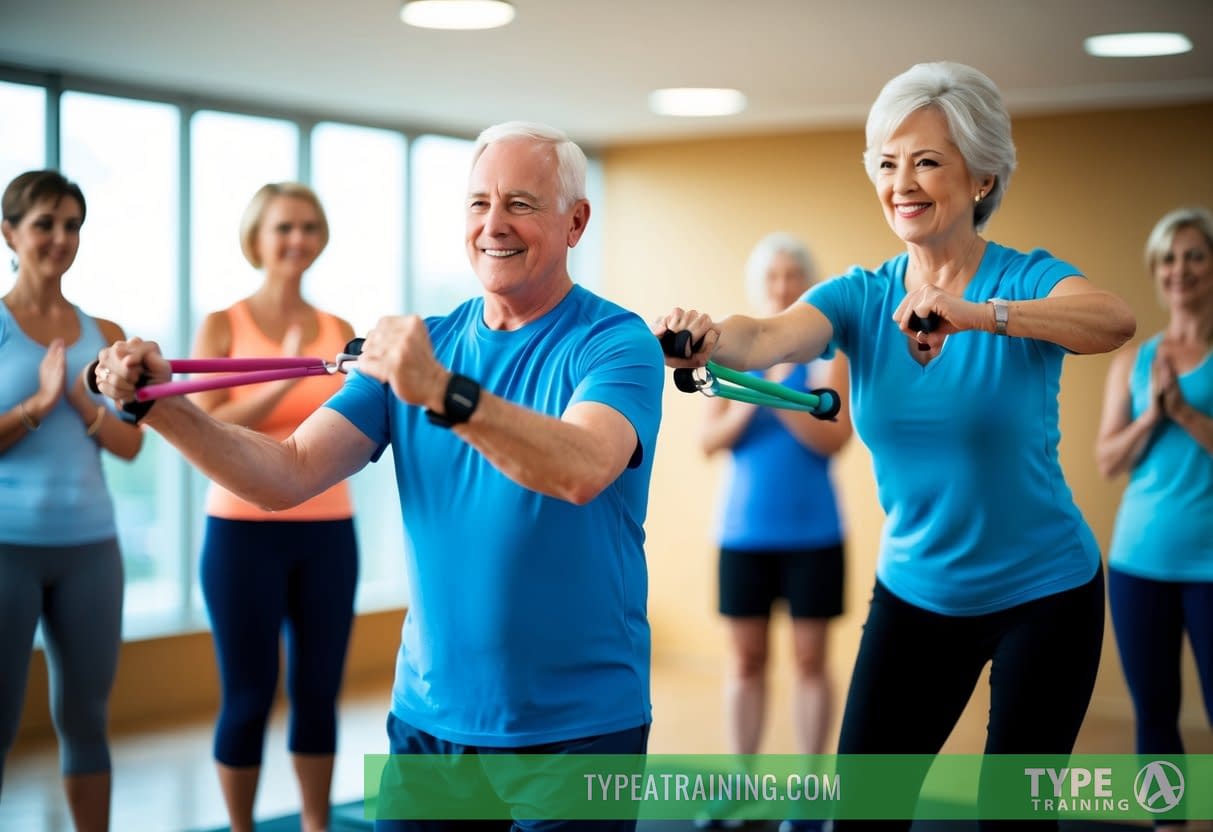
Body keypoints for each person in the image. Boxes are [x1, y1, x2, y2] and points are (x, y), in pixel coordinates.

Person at [92, 121, 664, 832]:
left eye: (520, 203)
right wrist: (156, 407)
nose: (493, 224)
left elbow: (580, 468)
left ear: (574, 221)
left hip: (578, 728)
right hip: (429, 722)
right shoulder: (422, 345)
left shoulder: (614, 342)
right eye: (478, 203)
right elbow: (287, 472)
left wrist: (443, 394)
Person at [654, 62, 1136, 831]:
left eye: (924, 161)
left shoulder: (1025, 279)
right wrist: (712, 339)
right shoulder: (860, 295)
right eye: (885, 162)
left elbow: (1112, 321)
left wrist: (977, 315)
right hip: (917, 594)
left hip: (1045, 593)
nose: (900, 181)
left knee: (1012, 818)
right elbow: (767, 334)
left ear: (980, 176)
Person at [190, 183, 359, 832]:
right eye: (284, 227)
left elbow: (352, 423)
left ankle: (315, 824)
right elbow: (207, 421)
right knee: (248, 695)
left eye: (310, 227)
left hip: (327, 532)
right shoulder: (221, 326)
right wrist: (288, 375)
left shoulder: (337, 330)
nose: (298, 240)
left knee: (318, 694)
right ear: (255, 238)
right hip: (240, 533)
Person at [0, 170, 144, 831]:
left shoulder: (104, 331)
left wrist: (82, 403)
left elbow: (131, 446)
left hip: (91, 548)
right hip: (8, 549)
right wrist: (34, 405)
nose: (61, 238)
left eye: (73, 225)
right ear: (10, 233)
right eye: (45, 224)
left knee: (86, 718)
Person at [697, 233, 851, 832]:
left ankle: (812, 794)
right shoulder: (729, 357)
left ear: (806, 285)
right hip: (742, 533)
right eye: (774, 276)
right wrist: (753, 392)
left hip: (814, 531)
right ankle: (742, 786)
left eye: (794, 276)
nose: (783, 285)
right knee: (745, 661)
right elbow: (708, 442)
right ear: (758, 286)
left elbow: (835, 439)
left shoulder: (829, 353)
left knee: (811, 661)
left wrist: (787, 389)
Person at [1096, 207, 1213, 796]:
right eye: (1169, 257)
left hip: (1210, 565)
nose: (1180, 269)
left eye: (1194, 254)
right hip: (1138, 562)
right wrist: (1151, 415)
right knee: (1156, 714)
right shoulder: (1133, 362)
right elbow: (1108, 459)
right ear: (1156, 270)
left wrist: (1187, 411)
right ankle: (1168, 817)